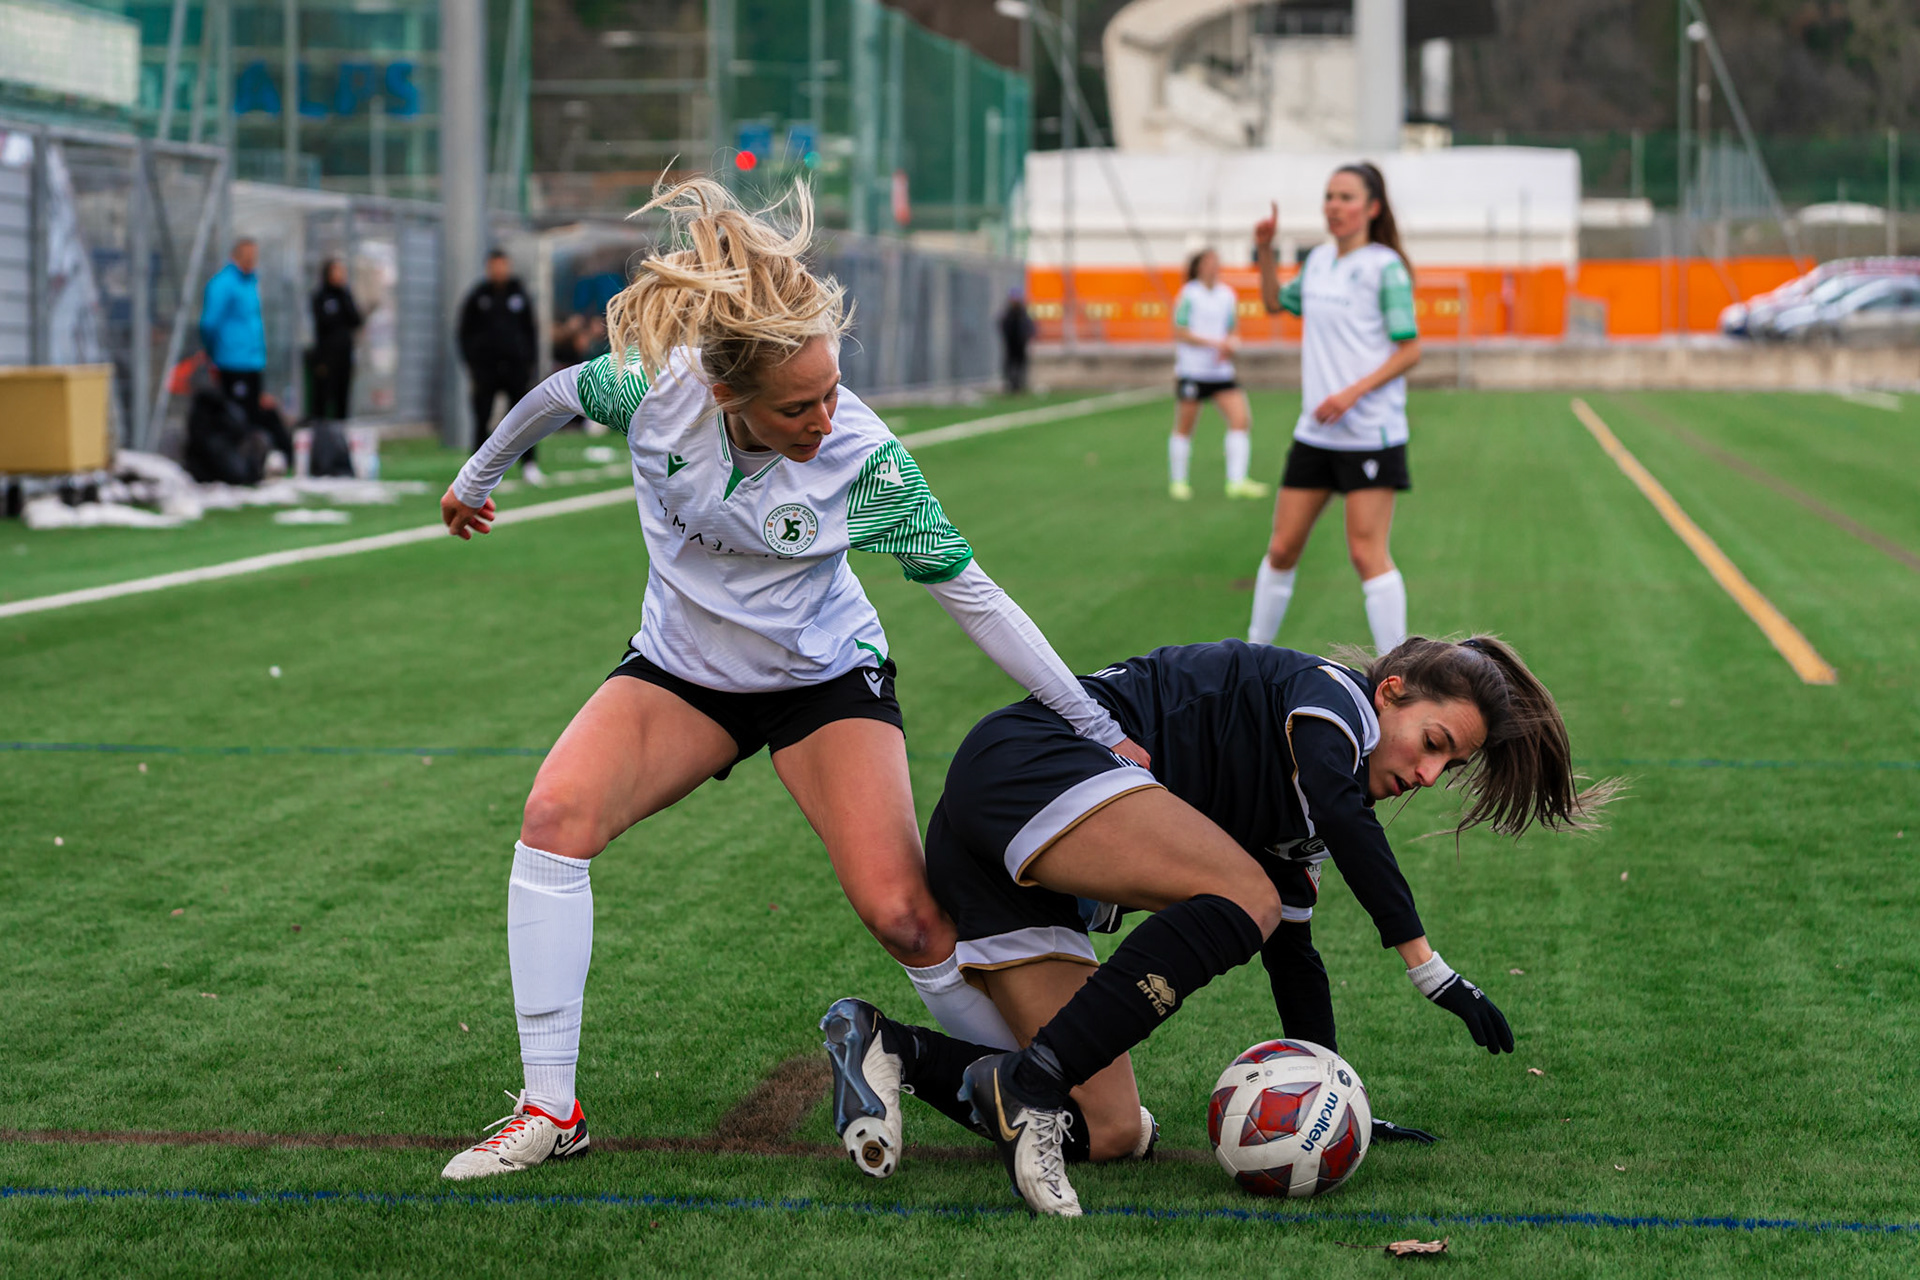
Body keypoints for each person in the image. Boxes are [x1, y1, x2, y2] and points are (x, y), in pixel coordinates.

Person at [433, 177, 1148, 1182]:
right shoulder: (654, 389)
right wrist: (478, 478)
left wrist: (1093, 720)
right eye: (799, 404)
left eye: (831, 388)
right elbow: (554, 395)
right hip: (684, 673)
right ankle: (550, 1105)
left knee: (903, 911)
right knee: (554, 815)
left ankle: (1027, 1088)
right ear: (728, 396)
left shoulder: (863, 455)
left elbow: (973, 594)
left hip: (823, 677)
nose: (826, 414)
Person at [821, 634, 1617, 1215]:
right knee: (1247, 896)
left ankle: (890, 1048)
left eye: (1451, 769)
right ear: (1393, 692)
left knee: (1109, 1132)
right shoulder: (1332, 696)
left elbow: (1293, 958)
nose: (1426, 774)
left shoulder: (1308, 814)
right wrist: (1427, 966)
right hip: (1031, 765)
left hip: (1013, 871)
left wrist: (1340, 1101)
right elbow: (1340, 815)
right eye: (1434, 743)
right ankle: (1025, 1084)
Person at [1248, 163, 1422, 655]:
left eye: (1346, 197)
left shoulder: (1384, 267)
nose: (1335, 206)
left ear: (1371, 207)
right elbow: (1271, 303)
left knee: (1366, 554)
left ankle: (1399, 667)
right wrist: (1264, 248)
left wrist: (1350, 394)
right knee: (1281, 549)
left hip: (1369, 433)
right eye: (1329, 196)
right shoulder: (1319, 262)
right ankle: (1252, 654)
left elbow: (1410, 350)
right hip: (1316, 435)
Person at [1169, 249, 1267, 501]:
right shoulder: (1189, 294)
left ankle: (1236, 481)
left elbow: (1232, 329)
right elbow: (1180, 331)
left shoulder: (1227, 295)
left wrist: (1231, 344)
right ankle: (1178, 481)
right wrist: (1214, 343)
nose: (1215, 266)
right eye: (1209, 262)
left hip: (1221, 372)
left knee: (1241, 420)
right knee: (1185, 427)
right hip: (1193, 371)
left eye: (1217, 261)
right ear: (1198, 266)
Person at [199, 237, 293, 469]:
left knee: (253, 414)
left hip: (252, 362)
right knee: (235, 417)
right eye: (247, 255)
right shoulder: (222, 284)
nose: (252, 260)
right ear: (235, 256)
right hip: (231, 362)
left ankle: (252, 462)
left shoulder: (250, 283)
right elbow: (209, 323)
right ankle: (234, 464)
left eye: (255, 256)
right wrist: (215, 352)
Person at [459, 249, 544, 485]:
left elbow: (530, 332)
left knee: (525, 417)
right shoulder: (478, 297)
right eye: (495, 266)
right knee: (481, 418)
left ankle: (529, 464)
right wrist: (473, 363)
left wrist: (529, 363)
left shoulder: (519, 295)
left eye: (502, 265)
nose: (499, 270)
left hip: (516, 368)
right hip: (486, 370)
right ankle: (476, 470)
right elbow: (464, 333)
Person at [308, 258, 362, 421]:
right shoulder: (320, 296)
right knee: (323, 397)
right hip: (326, 356)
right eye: (336, 271)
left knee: (342, 396)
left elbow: (356, 320)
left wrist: (343, 295)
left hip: (344, 355)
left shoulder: (345, 295)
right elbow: (324, 323)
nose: (340, 275)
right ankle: (320, 434)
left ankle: (341, 434)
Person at [998, 288, 1035, 395]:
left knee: (1020, 365)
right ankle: (1010, 385)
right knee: (1010, 365)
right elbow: (1003, 326)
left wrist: (1026, 337)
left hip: (1021, 343)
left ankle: (1019, 385)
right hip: (1010, 343)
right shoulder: (1008, 313)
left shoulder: (1022, 313)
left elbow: (1029, 326)